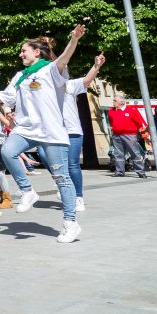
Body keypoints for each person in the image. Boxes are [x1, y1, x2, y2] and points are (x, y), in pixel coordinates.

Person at [0, 25, 90, 242]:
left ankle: (70, 223)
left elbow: (64, 58)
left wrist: (74, 40)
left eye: (24, 50)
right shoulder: (20, 76)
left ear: (37, 52)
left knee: (62, 178)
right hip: (26, 129)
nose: (20, 54)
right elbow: (3, 97)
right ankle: (27, 191)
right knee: (7, 151)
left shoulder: (51, 69)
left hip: (51, 132)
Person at [61, 52, 105, 211]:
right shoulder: (45, 87)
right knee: (56, 164)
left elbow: (87, 80)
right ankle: (65, 188)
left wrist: (96, 65)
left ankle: (78, 197)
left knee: (72, 164)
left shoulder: (69, 85)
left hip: (72, 131)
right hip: (54, 133)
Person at [107, 96, 147, 178]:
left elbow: (139, 123)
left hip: (130, 135)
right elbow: (111, 122)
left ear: (122, 102)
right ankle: (119, 172)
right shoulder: (111, 111)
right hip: (116, 135)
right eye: (113, 100)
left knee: (134, 153)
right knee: (118, 154)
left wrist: (142, 133)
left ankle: (140, 172)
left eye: (115, 101)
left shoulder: (131, 110)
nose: (113, 102)